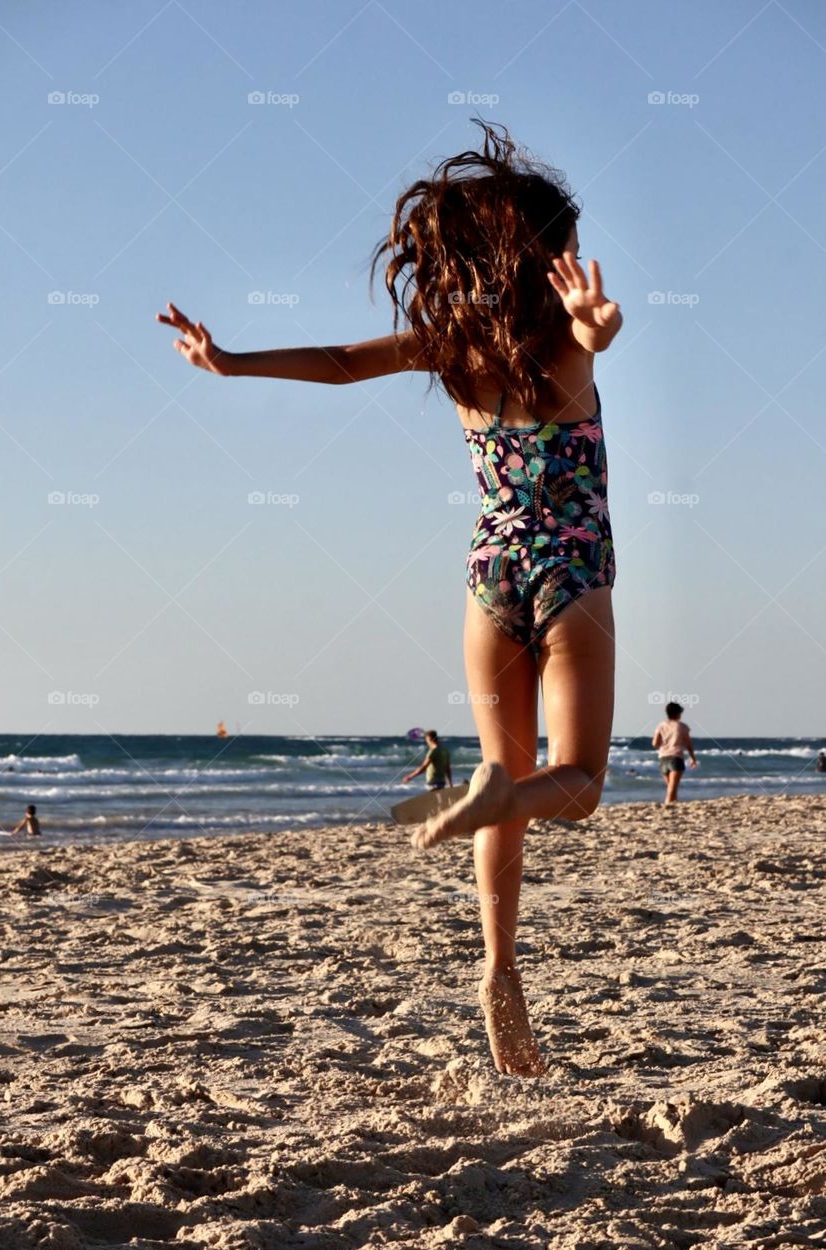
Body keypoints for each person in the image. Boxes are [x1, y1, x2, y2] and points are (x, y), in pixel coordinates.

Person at [157, 120, 622, 1077]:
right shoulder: (565, 348)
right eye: (565, 248)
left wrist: (231, 362)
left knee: (509, 790)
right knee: (572, 786)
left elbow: (336, 362)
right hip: (570, 576)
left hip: (489, 580)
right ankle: (487, 809)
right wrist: (599, 327)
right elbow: (593, 332)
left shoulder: (448, 349)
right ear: (538, 259)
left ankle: (500, 972)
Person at [651, 702, 697, 805]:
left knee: (670, 787)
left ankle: (673, 805)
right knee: (672, 788)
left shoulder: (661, 725)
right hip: (676, 757)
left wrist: (665, 743)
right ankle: (668, 805)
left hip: (663, 758)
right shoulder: (682, 727)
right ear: (678, 713)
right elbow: (688, 744)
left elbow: (654, 743)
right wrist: (693, 758)